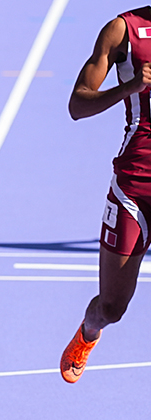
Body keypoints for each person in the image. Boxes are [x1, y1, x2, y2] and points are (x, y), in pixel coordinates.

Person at [61, 8, 151, 383]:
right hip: (136, 185)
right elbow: (77, 105)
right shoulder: (123, 30)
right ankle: (89, 331)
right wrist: (128, 88)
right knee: (112, 307)